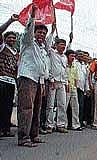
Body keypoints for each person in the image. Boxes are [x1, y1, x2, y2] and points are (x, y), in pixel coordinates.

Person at [17, 5, 55, 147]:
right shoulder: (27, 42)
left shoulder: (43, 49)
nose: (41, 35)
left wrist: (52, 30)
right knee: (26, 108)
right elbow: (28, 30)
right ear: (34, 33)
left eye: (43, 34)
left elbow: (44, 67)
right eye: (39, 32)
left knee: (37, 108)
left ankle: (34, 135)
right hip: (27, 78)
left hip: (39, 81)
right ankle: (23, 137)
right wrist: (32, 16)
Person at [0, 14, 19, 137]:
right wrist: (10, 21)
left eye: (14, 38)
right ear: (5, 39)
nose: (12, 40)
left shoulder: (16, 52)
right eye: (9, 38)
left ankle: (6, 129)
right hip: (1, 80)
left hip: (11, 82)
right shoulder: (1, 47)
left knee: (8, 106)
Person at [46, 38, 68, 134]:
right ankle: (49, 125)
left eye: (64, 45)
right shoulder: (51, 53)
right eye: (61, 44)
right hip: (53, 82)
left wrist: (66, 82)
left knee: (62, 104)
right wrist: (52, 31)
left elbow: (65, 70)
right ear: (56, 45)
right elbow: (47, 44)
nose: (63, 46)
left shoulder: (65, 57)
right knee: (50, 105)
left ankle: (60, 125)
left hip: (62, 82)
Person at [65, 49, 82, 131]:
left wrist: (75, 86)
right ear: (67, 56)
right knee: (64, 107)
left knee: (76, 107)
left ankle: (76, 125)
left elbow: (76, 77)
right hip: (65, 88)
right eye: (71, 56)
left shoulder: (74, 65)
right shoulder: (64, 64)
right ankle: (63, 125)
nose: (73, 58)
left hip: (73, 88)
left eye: (74, 56)